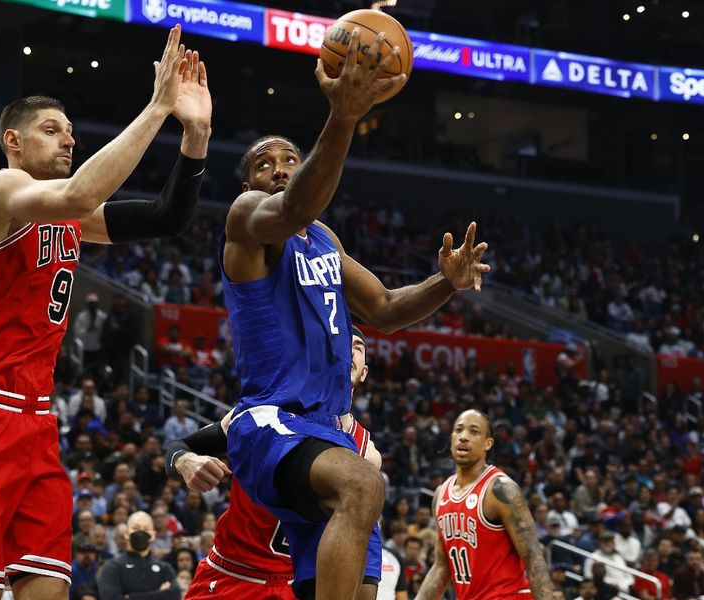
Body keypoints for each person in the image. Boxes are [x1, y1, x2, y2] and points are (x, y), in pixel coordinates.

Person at [0, 25, 210, 598]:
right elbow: (78, 194)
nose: (67, 140)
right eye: (50, 131)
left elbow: (164, 217)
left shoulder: (71, 216)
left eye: (71, 132)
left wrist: (195, 136)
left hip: (36, 420)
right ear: (13, 141)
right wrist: (156, 109)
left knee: (48, 588)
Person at [220, 28, 489, 600]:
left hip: (325, 429)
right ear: (248, 184)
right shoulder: (247, 219)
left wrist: (447, 281)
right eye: (265, 164)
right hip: (271, 420)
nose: (281, 168)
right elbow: (295, 206)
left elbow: (387, 310)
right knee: (364, 485)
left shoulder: (324, 241)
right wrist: (343, 117)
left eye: (291, 158)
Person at [167, 329, 382, 600]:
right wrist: (185, 461)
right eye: (341, 343)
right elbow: (178, 447)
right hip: (232, 575)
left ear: (364, 372)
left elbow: (365, 540)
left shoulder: (368, 454)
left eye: (358, 348)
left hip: (296, 585)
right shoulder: (264, 412)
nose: (349, 351)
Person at [415, 410, 555, 599]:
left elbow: (534, 557)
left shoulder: (501, 489)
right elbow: (442, 567)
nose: (464, 437)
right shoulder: (441, 495)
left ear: (487, 444)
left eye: (474, 432)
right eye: (459, 430)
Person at [97, 511, 180, 600]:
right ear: (126, 534)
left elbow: (174, 595)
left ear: (153, 535)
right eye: (136, 528)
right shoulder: (112, 566)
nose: (141, 532)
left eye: (146, 529)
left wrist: (129, 597)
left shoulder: (165, 568)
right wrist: (160, 594)